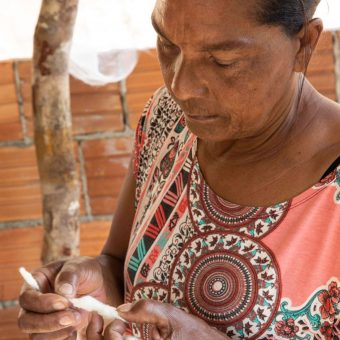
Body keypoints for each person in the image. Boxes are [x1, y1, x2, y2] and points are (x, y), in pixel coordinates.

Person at [18, 0, 340, 339]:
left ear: (304, 43)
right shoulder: (169, 119)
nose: (181, 86)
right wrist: (91, 292)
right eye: (168, 45)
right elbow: (119, 263)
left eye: (223, 60)